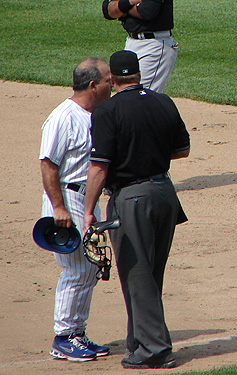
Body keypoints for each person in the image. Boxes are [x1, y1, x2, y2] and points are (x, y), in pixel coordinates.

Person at [83, 50, 190, 369]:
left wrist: (89, 210)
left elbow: (99, 169)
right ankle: (139, 341)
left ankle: (155, 349)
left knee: (136, 273)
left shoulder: (108, 111)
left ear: (112, 79)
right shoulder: (163, 101)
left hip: (132, 200)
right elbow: (182, 149)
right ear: (139, 74)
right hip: (165, 194)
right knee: (151, 273)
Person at [39, 58, 112, 361]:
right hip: (67, 201)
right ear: (93, 85)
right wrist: (58, 207)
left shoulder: (94, 114)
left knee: (89, 267)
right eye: (109, 79)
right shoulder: (62, 117)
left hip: (86, 198)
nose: (113, 83)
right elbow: (48, 164)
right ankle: (64, 336)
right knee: (75, 269)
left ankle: (77, 333)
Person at [102, 0, 178, 93]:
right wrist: (130, 2)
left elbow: (147, 12)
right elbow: (108, 11)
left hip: (154, 45)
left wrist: (122, 8)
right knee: (125, 91)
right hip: (131, 41)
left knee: (140, 95)